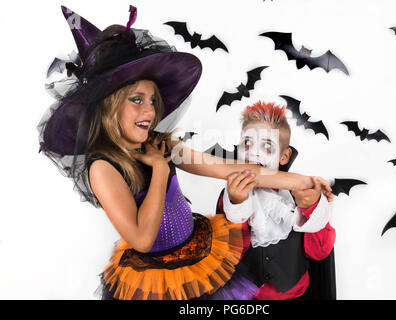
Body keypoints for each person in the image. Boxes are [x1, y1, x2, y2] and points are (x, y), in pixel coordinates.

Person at [38, 6, 333, 300]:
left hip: (198, 253)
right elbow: (141, 238)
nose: (150, 110)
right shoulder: (102, 167)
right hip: (157, 278)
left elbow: (231, 170)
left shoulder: (160, 144)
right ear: (108, 106)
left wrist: (304, 182)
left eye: (153, 100)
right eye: (137, 99)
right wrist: (160, 171)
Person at [219, 101, 336, 300]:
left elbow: (320, 252)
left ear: (284, 156)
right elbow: (230, 256)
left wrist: (311, 207)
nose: (253, 153)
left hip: (296, 295)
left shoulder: (299, 194)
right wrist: (237, 204)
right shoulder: (229, 195)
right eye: (247, 143)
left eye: (266, 146)